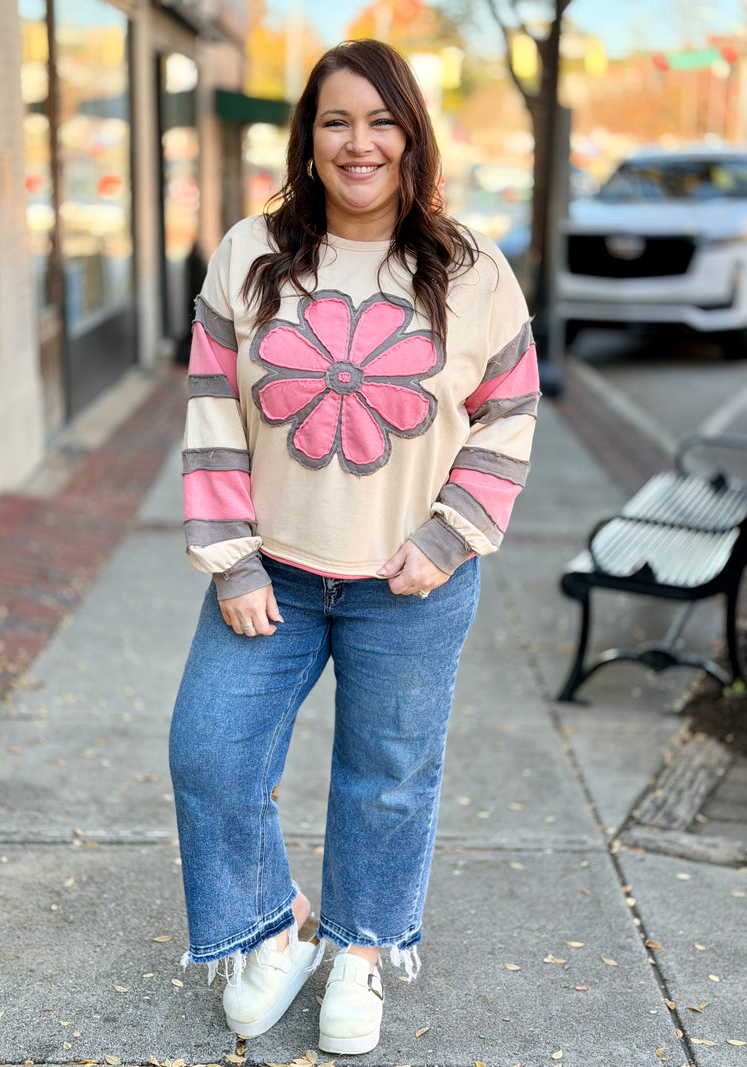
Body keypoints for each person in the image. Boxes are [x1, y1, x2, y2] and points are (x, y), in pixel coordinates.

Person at [169, 38, 539, 1055]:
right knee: (209, 752)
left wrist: (450, 535)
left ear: (410, 137)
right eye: (336, 120)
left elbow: (508, 410)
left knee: (386, 776)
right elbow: (210, 410)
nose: (358, 142)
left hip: (406, 584)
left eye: (380, 121)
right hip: (272, 576)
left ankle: (362, 952)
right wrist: (232, 556)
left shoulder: (467, 268)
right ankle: (279, 922)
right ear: (308, 138)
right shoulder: (250, 252)